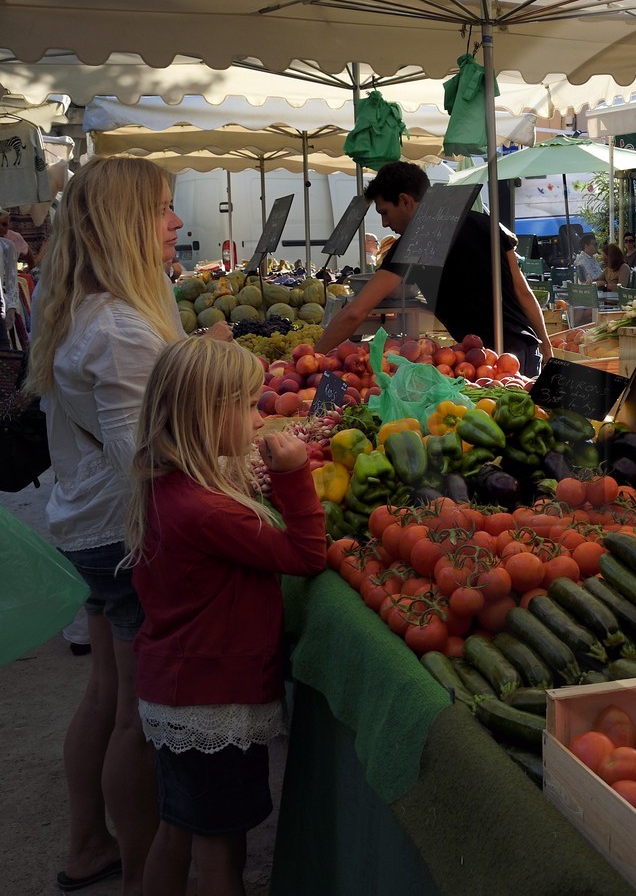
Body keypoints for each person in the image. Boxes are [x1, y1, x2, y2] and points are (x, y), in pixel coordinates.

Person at [26, 156, 192, 895]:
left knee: (101, 694)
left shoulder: (82, 306)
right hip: (121, 536)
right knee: (135, 715)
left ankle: (88, 845)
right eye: (161, 209)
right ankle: (143, 874)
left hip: (86, 524)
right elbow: (145, 465)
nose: (176, 223)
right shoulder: (123, 327)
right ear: (127, 223)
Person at [127, 336, 325, 896]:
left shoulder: (166, 486)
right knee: (220, 850)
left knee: (178, 827)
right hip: (212, 699)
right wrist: (294, 476)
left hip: (176, 689)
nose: (260, 416)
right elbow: (306, 556)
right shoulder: (208, 511)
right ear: (209, 416)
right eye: (247, 405)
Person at [313, 161, 553, 371]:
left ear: (405, 201)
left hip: (490, 362)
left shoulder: (415, 242)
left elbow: (356, 311)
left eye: (385, 212)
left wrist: (315, 357)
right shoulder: (485, 222)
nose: (385, 223)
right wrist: (546, 344)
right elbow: (523, 291)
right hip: (525, 349)